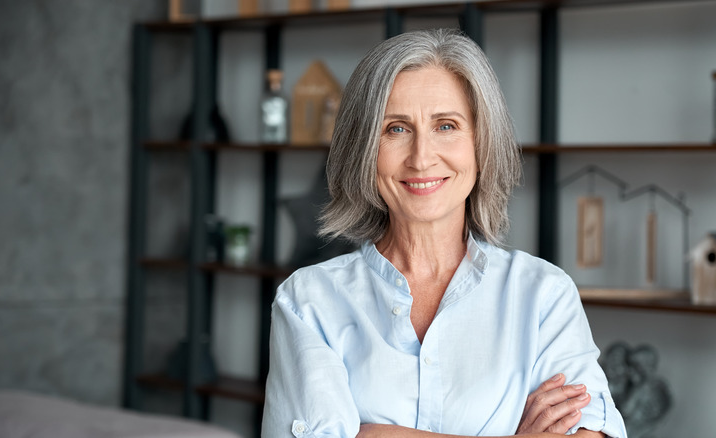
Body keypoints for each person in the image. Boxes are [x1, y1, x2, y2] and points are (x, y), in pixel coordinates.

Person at [262, 28, 627, 438]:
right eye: (396, 129)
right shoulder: (308, 302)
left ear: (481, 143)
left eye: (446, 125)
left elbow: (591, 431)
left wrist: (374, 433)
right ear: (364, 148)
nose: (421, 157)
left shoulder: (544, 295)